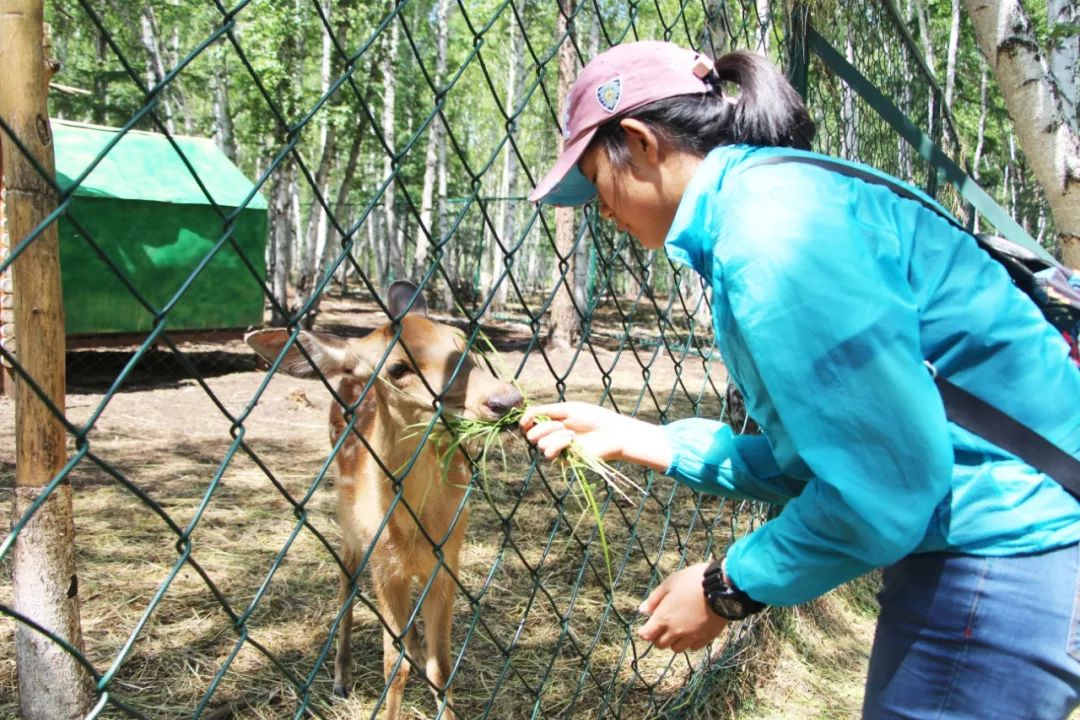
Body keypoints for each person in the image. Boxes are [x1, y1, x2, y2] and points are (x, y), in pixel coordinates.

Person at [519, 40, 1080, 719]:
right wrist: (640, 437)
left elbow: (885, 489)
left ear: (639, 143)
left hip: (1000, 554)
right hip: (1017, 527)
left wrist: (728, 587)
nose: (601, 212)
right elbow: (837, 454)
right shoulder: (772, 196)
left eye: (594, 181)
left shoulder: (771, 239)